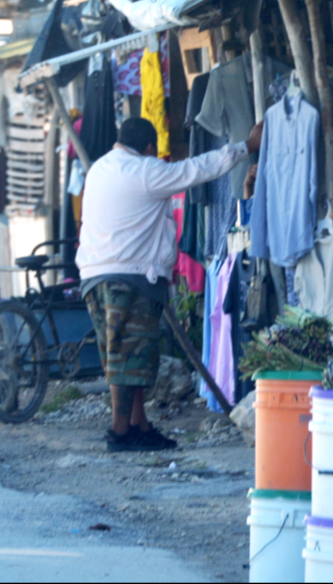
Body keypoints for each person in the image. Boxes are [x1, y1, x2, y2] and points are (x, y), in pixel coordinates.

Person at [77, 116, 262, 452]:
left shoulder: (99, 169)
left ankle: (139, 426)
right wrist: (247, 147)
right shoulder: (145, 171)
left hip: (93, 275)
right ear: (149, 148)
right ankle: (120, 433)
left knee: (125, 355)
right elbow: (196, 169)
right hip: (128, 278)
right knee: (127, 358)